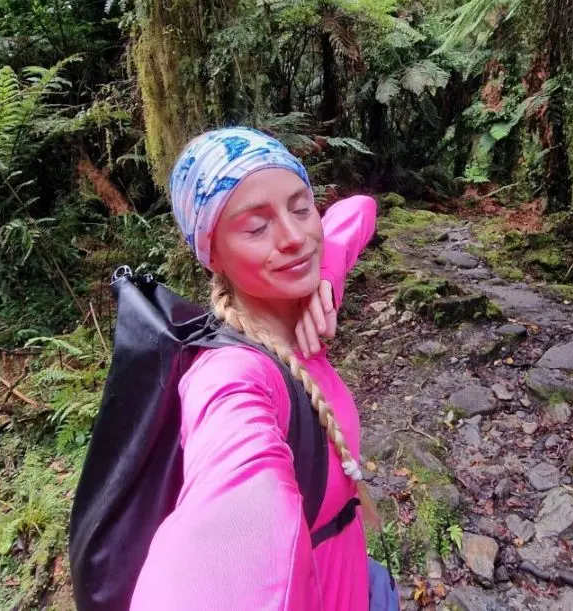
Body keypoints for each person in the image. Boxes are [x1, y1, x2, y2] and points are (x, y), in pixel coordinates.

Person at [130, 127, 384, 610]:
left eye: (301, 207)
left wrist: (327, 278)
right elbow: (225, 540)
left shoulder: (302, 305)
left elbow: (359, 210)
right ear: (212, 253)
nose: (295, 238)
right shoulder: (230, 376)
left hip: (351, 577)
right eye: (255, 226)